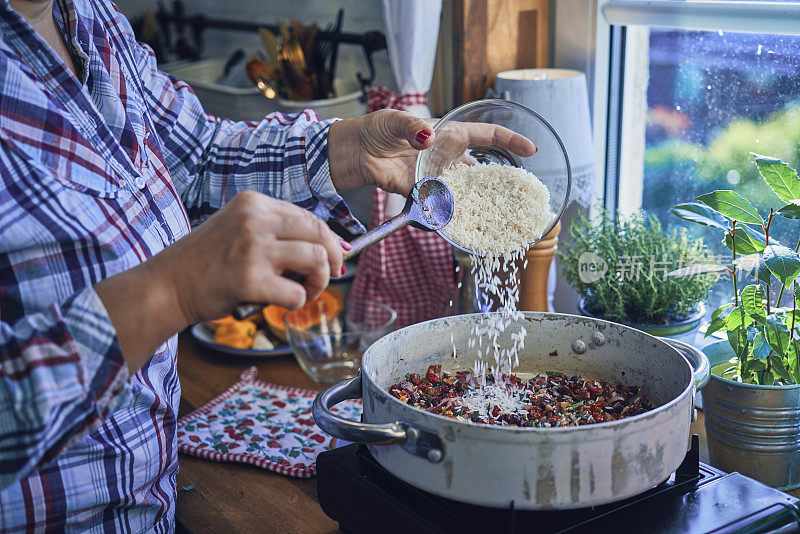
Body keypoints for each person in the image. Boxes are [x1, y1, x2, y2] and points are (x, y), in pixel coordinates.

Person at [0, 0, 536, 531]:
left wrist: (348, 148)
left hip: (152, 505)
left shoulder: (89, 18)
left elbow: (199, 155)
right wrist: (170, 290)